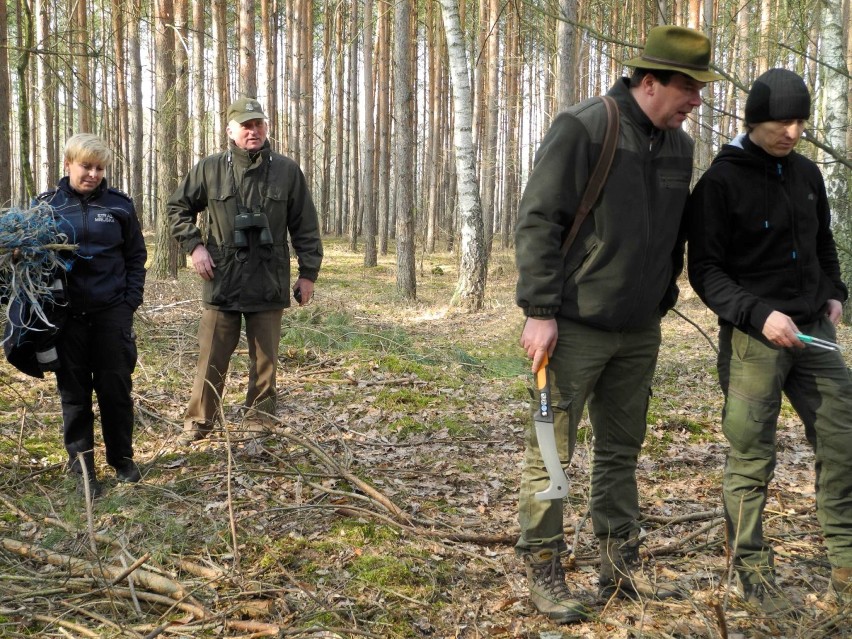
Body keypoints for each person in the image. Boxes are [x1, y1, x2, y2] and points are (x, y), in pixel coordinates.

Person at [514, 25, 722, 622]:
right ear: (649, 81)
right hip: (572, 325)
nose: (696, 101)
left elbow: (675, 234)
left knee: (621, 452)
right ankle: (545, 566)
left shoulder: (679, 146)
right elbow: (538, 221)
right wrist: (540, 310)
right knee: (552, 449)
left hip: (639, 330)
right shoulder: (587, 127)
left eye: (701, 89)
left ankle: (617, 563)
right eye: (688, 87)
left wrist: (662, 295)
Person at [686, 68, 852, 612]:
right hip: (755, 340)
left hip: (815, 333)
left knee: (842, 442)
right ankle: (754, 574)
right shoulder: (720, 182)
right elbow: (706, 272)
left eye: (801, 120)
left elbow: (823, 241)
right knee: (752, 456)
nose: (794, 132)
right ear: (755, 118)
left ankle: (846, 567)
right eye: (783, 120)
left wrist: (834, 291)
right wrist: (759, 315)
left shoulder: (807, 175)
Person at [168, 97, 323, 445]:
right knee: (211, 358)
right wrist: (194, 246)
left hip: (268, 277)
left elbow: (306, 226)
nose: (253, 131)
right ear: (231, 130)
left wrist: (308, 273)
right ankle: (199, 423)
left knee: (265, 363)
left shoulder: (286, 170)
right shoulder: (210, 168)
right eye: (246, 125)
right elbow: (177, 208)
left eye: (258, 124)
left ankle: (259, 426)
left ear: (266, 128)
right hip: (221, 277)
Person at [36, 133, 147, 497]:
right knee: (74, 394)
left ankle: (123, 462)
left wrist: (129, 302)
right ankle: (83, 469)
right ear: (68, 164)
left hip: (111, 314)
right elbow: (32, 265)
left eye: (100, 168)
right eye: (86, 166)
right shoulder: (46, 207)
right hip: (66, 318)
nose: (93, 174)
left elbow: (135, 257)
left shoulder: (120, 206)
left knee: (116, 390)